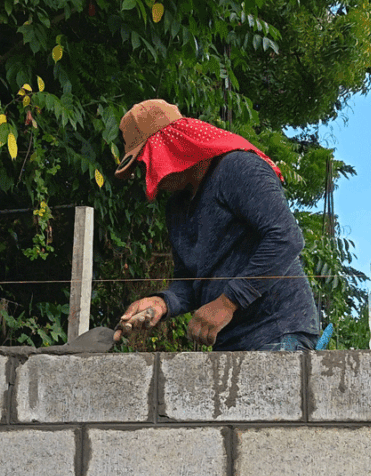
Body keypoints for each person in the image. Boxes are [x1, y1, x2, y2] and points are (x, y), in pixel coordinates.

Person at [112, 99, 319, 351]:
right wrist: (161, 303)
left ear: (168, 149)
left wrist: (228, 302)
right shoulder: (176, 208)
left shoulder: (237, 169)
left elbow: (286, 238)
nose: (146, 176)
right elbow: (189, 283)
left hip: (277, 331)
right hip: (230, 343)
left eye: (145, 163)